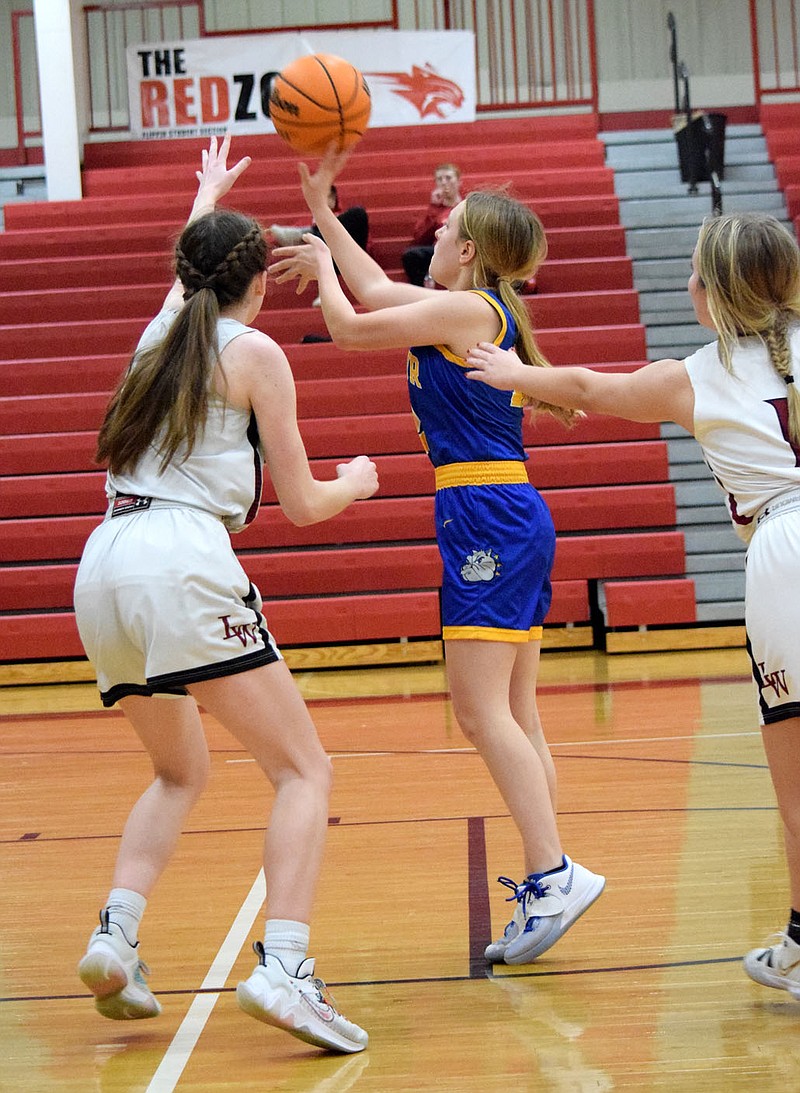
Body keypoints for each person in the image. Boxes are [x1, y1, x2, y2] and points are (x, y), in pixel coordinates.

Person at [73, 135, 377, 1054]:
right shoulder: (257, 353)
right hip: (180, 555)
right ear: (257, 283)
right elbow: (300, 502)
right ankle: (284, 964)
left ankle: (115, 937)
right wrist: (358, 479)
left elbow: (188, 273)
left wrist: (205, 197)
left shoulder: (158, 333)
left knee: (179, 769)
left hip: (102, 565)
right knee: (303, 768)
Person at [269, 147, 605, 966]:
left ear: (470, 250)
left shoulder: (469, 313)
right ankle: (549, 872)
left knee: (479, 710)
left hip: (487, 511)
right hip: (503, 508)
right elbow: (378, 294)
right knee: (516, 712)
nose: (438, 232)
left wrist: (321, 260)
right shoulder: (477, 309)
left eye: (448, 226)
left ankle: (553, 871)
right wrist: (322, 215)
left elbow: (350, 327)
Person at [464, 210, 800, 998]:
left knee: (795, 781)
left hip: (787, 555)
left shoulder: (701, 374)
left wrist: (514, 375)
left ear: (715, 294)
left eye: (693, 269)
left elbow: (588, 388)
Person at [402, 163, 462, 286]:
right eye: (439, 179)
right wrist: (433, 208)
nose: (444, 182)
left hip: (461, 248)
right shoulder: (435, 210)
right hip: (440, 249)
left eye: (448, 178)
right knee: (411, 255)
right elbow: (419, 239)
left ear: (459, 181)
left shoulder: (466, 205)